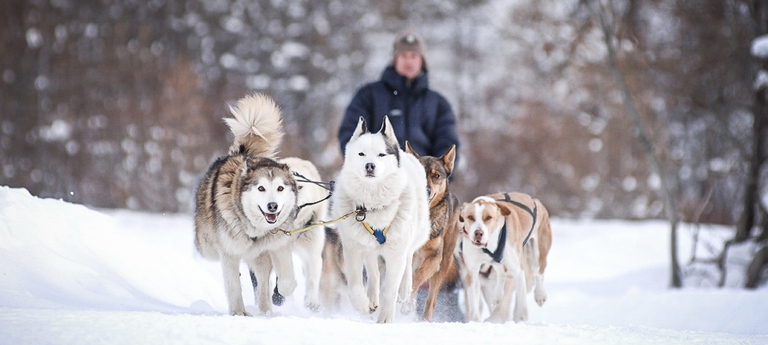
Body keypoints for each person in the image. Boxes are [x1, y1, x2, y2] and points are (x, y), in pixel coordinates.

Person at [338, 30, 459, 163]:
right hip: (375, 177)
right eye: (403, 55)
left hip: (421, 178)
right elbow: (350, 135)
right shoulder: (368, 95)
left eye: (413, 56)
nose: (408, 61)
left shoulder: (438, 104)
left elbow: (447, 144)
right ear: (394, 59)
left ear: (422, 61)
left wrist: (434, 175)